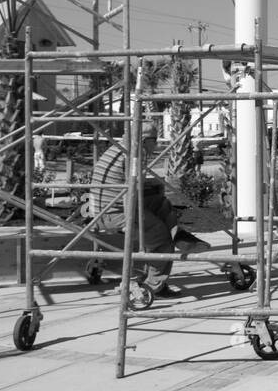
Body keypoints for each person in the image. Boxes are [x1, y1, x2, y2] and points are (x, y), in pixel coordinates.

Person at [88, 121, 209, 296]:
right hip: (114, 212)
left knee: (161, 203)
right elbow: (131, 189)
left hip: (105, 207)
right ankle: (154, 286)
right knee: (163, 240)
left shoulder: (120, 148)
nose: (157, 144)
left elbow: (132, 184)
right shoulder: (134, 154)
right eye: (155, 140)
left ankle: (179, 235)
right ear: (144, 140)